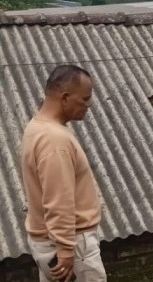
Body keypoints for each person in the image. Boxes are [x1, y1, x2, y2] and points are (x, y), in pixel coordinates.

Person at [20, 65, 106, 282]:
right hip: (71, 248)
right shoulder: (54, 140)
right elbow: (59, 201)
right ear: (65, 97)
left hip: (52, 243)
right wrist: (67, 250)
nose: (89, 105)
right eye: (85, 99)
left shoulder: (37, 127)